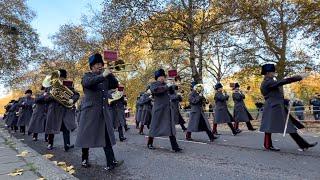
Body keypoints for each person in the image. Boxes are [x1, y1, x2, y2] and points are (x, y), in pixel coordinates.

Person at [75, 53, 123, 170]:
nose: (99, 66)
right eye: (97, 64)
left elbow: (114, 84)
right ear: (91, 66)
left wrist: (110, 73)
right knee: (86, 137)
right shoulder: (87, 76)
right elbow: (88, 83)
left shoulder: (105, 77)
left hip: (103, 112)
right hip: (90, 112)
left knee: (106, 137)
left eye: (101, 64)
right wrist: (103, 75)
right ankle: (85, 159)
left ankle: (111, 161)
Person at [260, 63, 317, 151]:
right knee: (270, 127)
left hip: (277, 106)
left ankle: (303, 145)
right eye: (272, 72)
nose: (274, 73)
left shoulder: (270, 81)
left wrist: (287, 101)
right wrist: (298, 77)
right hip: (273, 107)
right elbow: (282, 82)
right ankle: (267, 145)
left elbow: (275, 96)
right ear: (268, 73)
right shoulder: (268, 82)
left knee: (289, 126)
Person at [147, 69, 182, 152]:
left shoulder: (166, 84)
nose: (162, 78)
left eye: (163, 76)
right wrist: (167, 86)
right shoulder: (154, 84)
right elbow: (156, 91)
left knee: (170, 127)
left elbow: (173, 90)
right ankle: (149, 143)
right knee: (154, 126)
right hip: (158, 109)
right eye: (160, 77)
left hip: (167, 109)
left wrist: (175, 84)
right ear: (157, 78)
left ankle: (175, 146)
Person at [45, 69, 80, 151]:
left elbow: (76, 95)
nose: (61, 80)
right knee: (51, 128)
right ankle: (50, 144)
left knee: (66, 128)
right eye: (59, 78)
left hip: (65, 110)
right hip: (54, 110)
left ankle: (67, 145)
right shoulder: (50, 86)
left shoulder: (68, 85)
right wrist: (53, 96)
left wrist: (72, 100)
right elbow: (45, 98)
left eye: (62, 78)